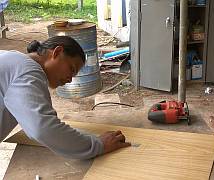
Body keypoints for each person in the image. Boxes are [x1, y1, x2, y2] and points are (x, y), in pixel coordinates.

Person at [0, 36, 131, 159]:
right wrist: (99, 145)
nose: (70, 79)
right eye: (71, 69)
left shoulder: (14, 60)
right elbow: (42, 128)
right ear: (57, 52)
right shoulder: (27, 71)